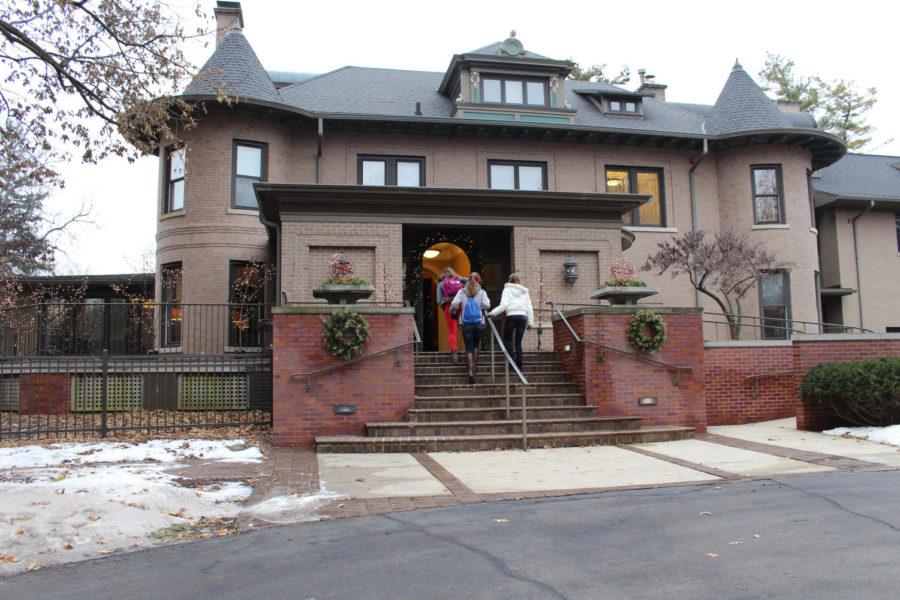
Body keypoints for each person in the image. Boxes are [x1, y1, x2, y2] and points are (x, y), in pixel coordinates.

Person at [488, 273, 534, 371]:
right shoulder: (524, 291)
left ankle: (512, 363)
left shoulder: (507, 290)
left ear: (510, 280)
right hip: (523, 317)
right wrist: (530, 323)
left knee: (507, 339)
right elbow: (529, 307)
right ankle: (520, 366)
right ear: (519, 281)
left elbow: (504, 305)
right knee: (518, 342)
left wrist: (492, 313)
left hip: (512, 316)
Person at [450, 272, 491, 384]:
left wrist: (453, 311)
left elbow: (454, 303)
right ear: (478, 281)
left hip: (466, 323)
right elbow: (487, 305)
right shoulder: (482, 292)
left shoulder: (462, 291)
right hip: (479, 323)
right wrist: (480, 306)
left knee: (469, 348)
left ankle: (470, 372)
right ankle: (474, 368)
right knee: (476, 346)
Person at [436, 268, 465, 362]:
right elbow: (469, 280)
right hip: (461, 306)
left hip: (449, 307)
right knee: (466, 327)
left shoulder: (441, 284)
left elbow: (438, 301)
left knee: (452, 331)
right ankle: (470, 351)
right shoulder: (459, 280)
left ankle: (454, 353)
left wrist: (445, 308)